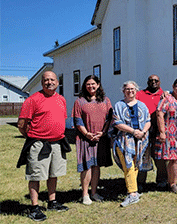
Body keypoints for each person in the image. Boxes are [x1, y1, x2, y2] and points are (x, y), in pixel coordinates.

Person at [17, 71, 70, 221]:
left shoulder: (61, 99)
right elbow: (22, 124)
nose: (49, 82)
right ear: (42, 83)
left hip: (57, 143)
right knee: (36, 175)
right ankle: (34, 208)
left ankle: (52, 202)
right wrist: (33, 137)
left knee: (53, 174)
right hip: (39, 144)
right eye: (46, 80)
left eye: (52, 79)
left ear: (57, 82)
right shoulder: (33, 99)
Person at [72, 75, 113, 205]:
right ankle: (85, 195)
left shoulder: (106, 100)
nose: (91, 86)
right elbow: (77, 120)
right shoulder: (80, 101)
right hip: (85, 138)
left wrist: (103, 132)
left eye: (93, 84)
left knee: (96, 166)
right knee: (87, 166)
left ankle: (94, 193)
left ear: (98, 85)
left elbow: (109, 118)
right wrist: (87, 134)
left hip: (100, 138)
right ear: (85, 86)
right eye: (88, 84)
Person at [111, 81, 153, 207]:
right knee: (128, 165)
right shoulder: (118, 105)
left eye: (132, 89)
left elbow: (148, 120)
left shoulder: (142, 105)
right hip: (124, 139)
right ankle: (133, 193)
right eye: (127, 89)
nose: (130, 91)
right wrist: (133, 131)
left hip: (140, 139)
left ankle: (133, 190)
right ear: (123, 91)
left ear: (136, 90)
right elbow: (117, 123)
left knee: (135, 165)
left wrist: (143, 131)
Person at [156, 77, 177, 193]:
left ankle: (171, 183)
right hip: (170, 135)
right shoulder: (167, 99)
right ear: (173, 86)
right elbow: (159, 113)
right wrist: (162, 132)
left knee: (175, 160)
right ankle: (173, 184)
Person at [136, 75, 166, 189]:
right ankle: (140, 182)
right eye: (151, 80)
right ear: (147, 82)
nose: (153, 82)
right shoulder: (140, 94)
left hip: (159, 130)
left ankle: (162, 180)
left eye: (156, 81)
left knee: (160, 157)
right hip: (144, 130)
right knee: (143, 154)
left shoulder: (164, 95)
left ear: (159, 82)